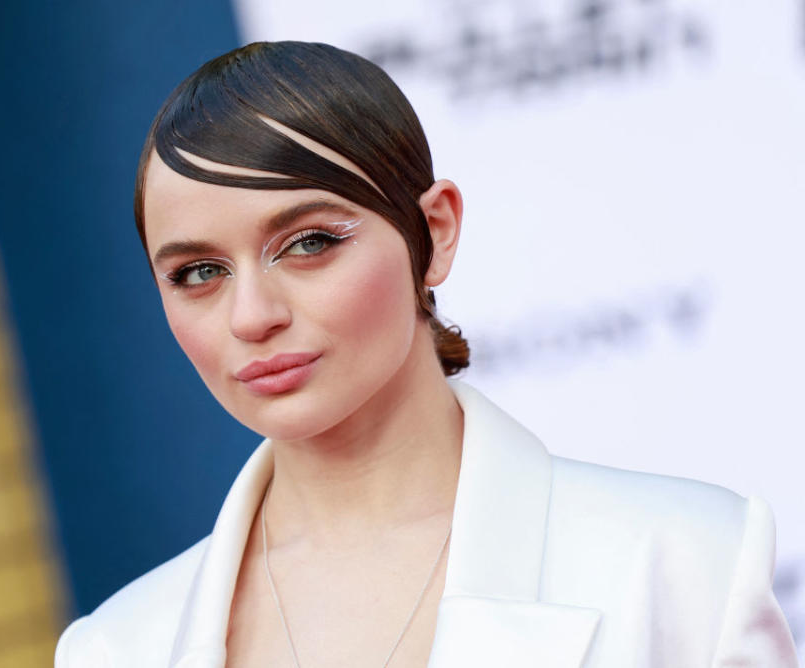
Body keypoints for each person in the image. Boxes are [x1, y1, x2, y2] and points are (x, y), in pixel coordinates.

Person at [55, 41, 797, 667]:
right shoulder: (115, 649)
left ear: (435, 232)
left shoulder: (683, 567)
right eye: (198, 273)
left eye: (308, 243)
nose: (251, 316)